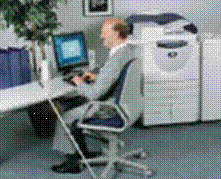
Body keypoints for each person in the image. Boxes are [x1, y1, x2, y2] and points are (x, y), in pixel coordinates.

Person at [51, 17, 135, 174]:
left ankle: (74, 162)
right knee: (72, 103)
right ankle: (83, 153)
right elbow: (116, 78)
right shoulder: (128, 50)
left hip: (109, 107)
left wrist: (78, 82)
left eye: (104, 32)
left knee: (65, 114)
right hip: (124, 104)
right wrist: (98, 77)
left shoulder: (116, 59)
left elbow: (93, 94)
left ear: (116, 34)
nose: (101, 36)